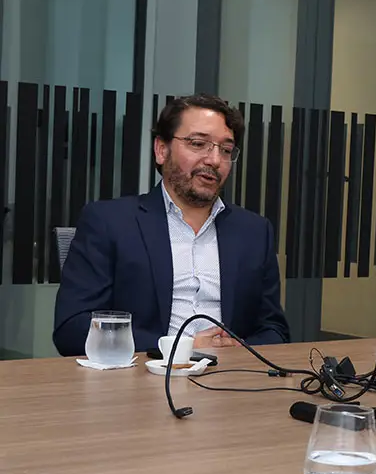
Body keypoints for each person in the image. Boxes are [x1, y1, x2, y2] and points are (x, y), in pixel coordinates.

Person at [54, 94, 289, 356]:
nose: (214, 160)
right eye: (198, 144)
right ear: (161, 150)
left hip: (229, 374)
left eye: (225, 150)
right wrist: (182, 348)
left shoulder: (254, 231)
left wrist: (237, 349)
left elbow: (274, 330)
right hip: (141, 374)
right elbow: (72, 329)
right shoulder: (109, 222)